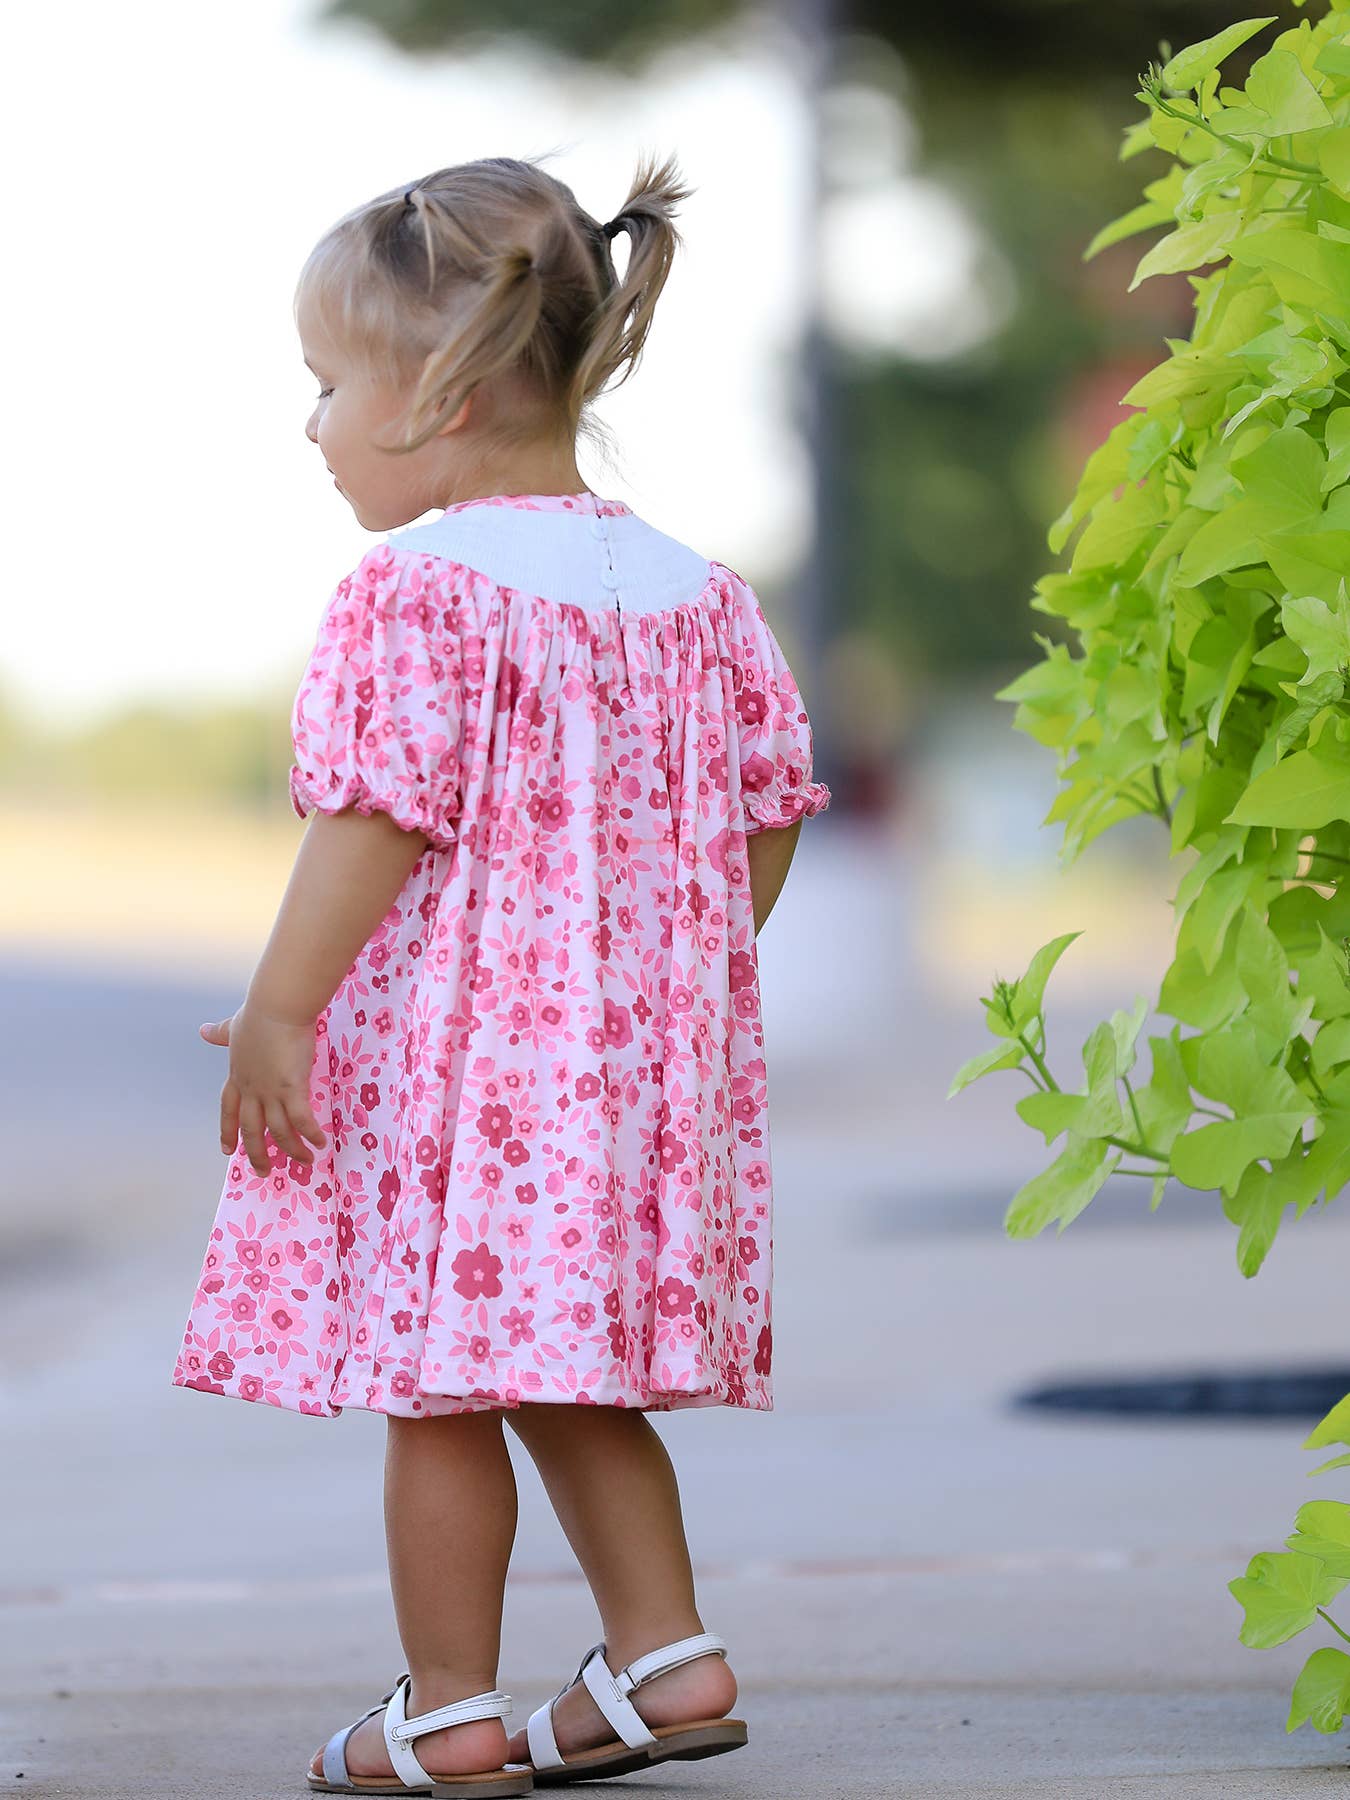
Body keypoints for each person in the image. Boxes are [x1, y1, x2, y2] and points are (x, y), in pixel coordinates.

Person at [170, 150, 832, 1797]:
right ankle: (668, 1661)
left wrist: (282, 1010)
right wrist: (667, 979)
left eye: (326, 384)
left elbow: (369, 823)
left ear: (443, 393)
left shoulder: (419, 594)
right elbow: (766, 815)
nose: (309, 423)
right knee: (571, 1368)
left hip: (464, 1090)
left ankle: (446, 1706)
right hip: (622, 1086)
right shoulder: (703, 596)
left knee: (444, 1390)